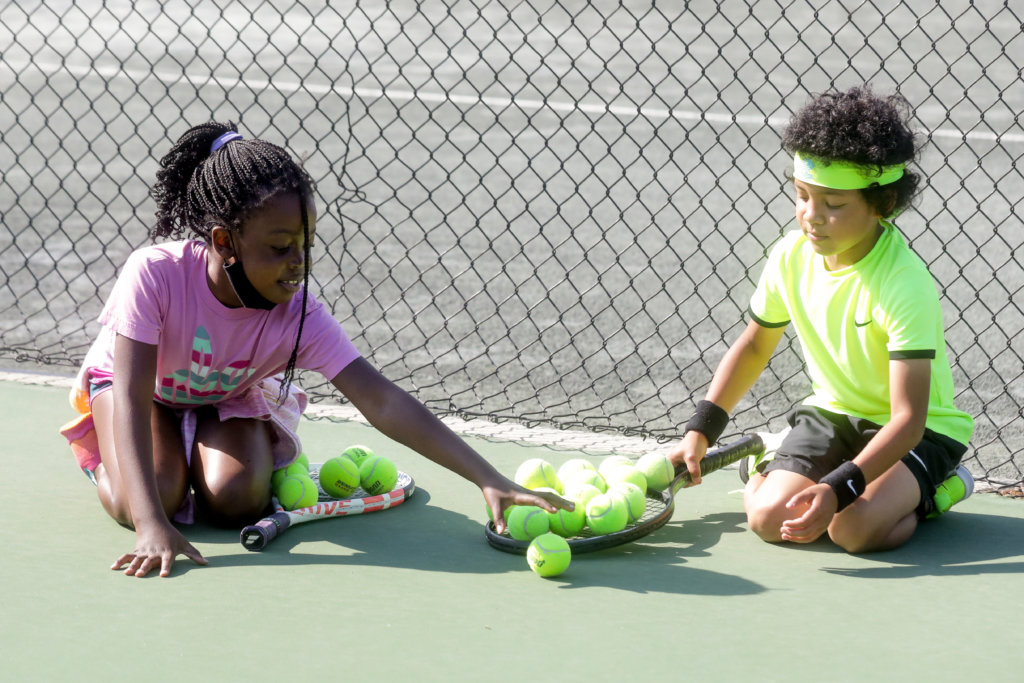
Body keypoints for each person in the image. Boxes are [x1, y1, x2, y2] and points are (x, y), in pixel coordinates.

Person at [59, 122, 571, 577]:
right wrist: (150, 523)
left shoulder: (299, 314)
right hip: (140, 393)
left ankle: (207, 443)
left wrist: (489, 479)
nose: (297, 261)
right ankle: (113, 465)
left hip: (225, 397)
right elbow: (128, 395)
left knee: (237, 500)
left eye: (305, 244)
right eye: (280, 247)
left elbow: (382, 401)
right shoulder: (155, 274)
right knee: (155, 494)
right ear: (223, 242)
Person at [667, 86, 974, 553]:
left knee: (853, 532)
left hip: (920, 431)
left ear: (883, 204)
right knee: (769, 520)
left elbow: (908, 420)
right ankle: (769, 460)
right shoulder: (790, 257)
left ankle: (941, 489)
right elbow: (753, 347)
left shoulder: (904, 283)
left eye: (834, 204)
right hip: (832, 414)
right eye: (802, 195)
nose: (812, 216)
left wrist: (838, 489)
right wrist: (701, 430)